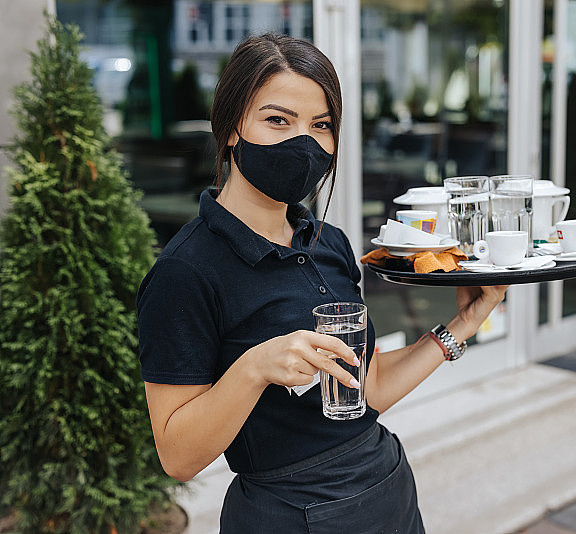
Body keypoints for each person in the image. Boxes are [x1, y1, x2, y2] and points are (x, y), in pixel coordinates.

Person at [137, 32, 508, 532]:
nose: (304, 143)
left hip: (387, 490)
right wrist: (254, 368)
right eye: (277, 120)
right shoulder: (185, 273)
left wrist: (462, 325)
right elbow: (177, 456)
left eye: (321, 125)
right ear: (230, 128)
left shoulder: (328, 242)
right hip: (288, 513)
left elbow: (367, 386)